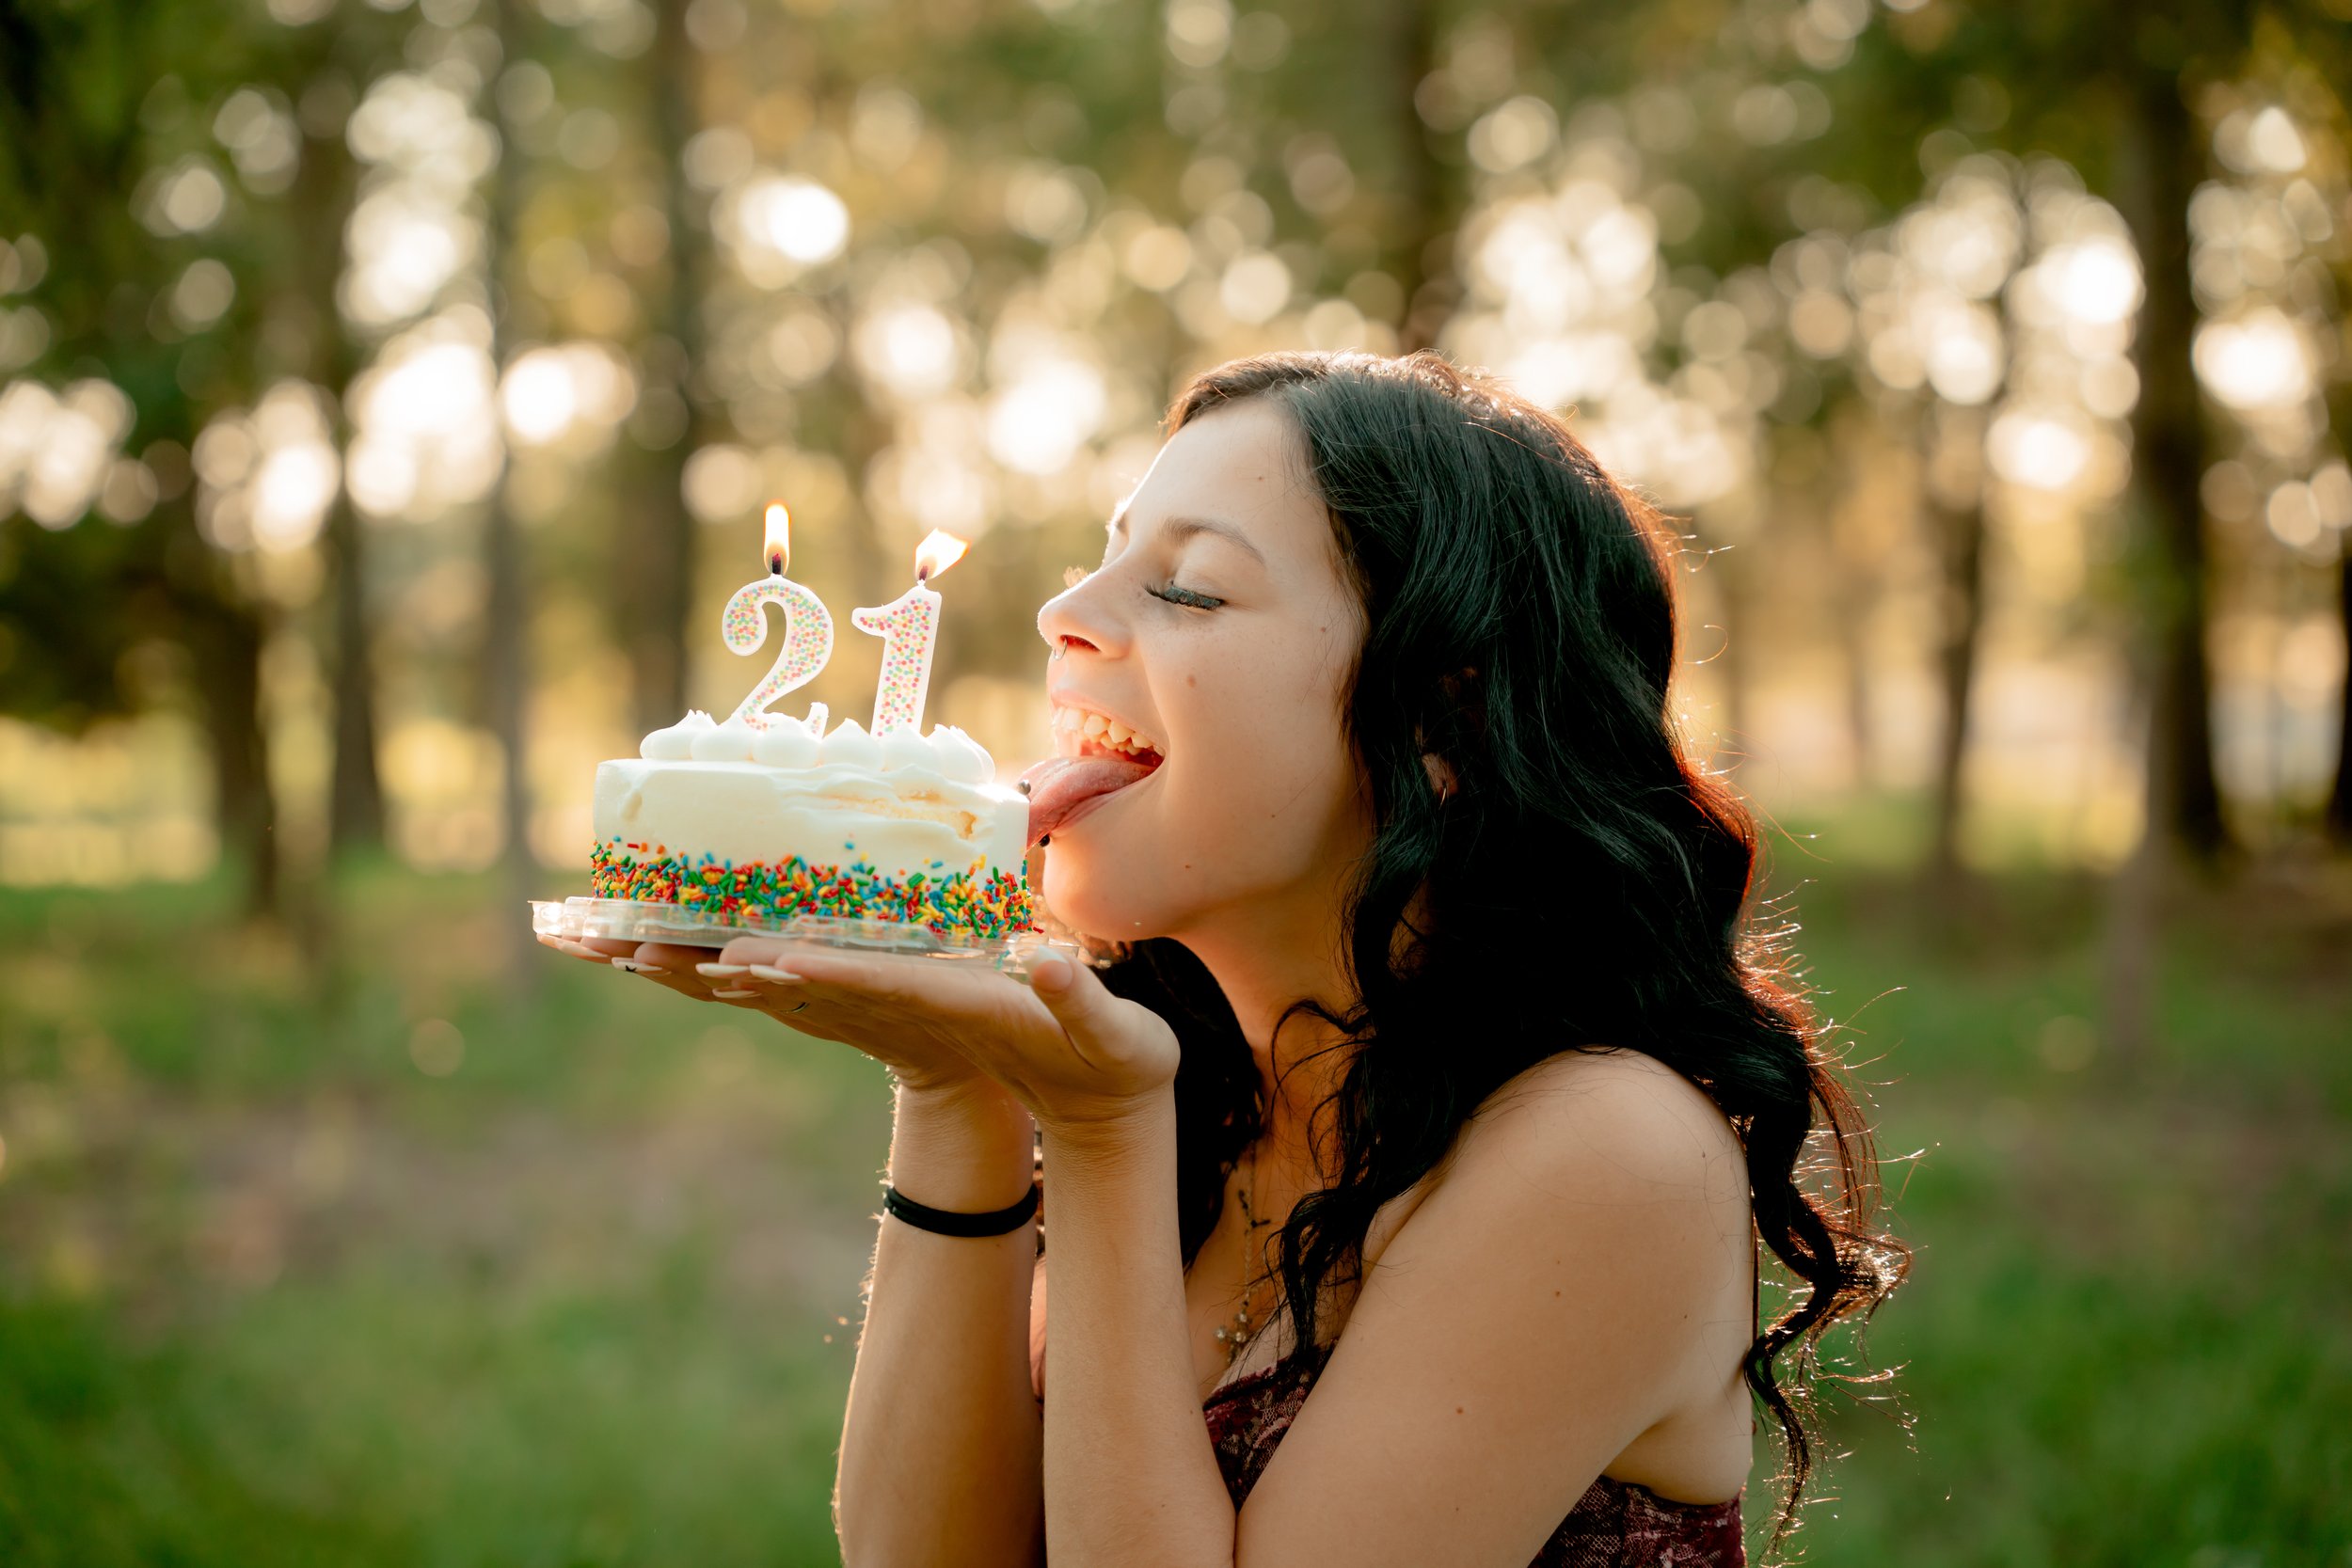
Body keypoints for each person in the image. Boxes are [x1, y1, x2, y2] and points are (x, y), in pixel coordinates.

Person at [548, 349, 1907, 1567]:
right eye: (1102, 556)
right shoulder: (1203, 1086)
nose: (1063, 615)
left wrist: (1097, 1131)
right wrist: (952, 1081)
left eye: (1189, 587)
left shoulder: (1607, 1152)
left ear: (1446, 714)